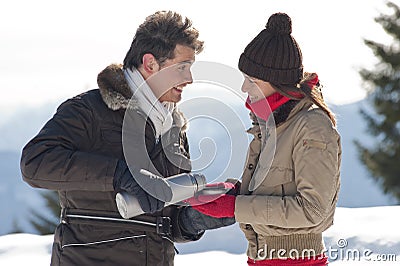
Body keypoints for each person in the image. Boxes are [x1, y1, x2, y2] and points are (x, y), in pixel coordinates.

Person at [20, 10, 223, 266]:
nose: (190, 78)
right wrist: (119, 174)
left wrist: (192, 221)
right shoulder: (90, 110)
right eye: (182, 67)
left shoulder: (174, 129)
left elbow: (161, 215)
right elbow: (35, 163)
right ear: (150, 64)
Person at [185, 13, 341, 265]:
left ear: (277, 83)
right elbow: (278, 190)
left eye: (252, 81)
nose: (245, 88)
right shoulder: (269, 125)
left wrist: (235, 206)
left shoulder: (312, 126)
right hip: (262, 258)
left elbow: (313, 210)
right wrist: (234, 194)